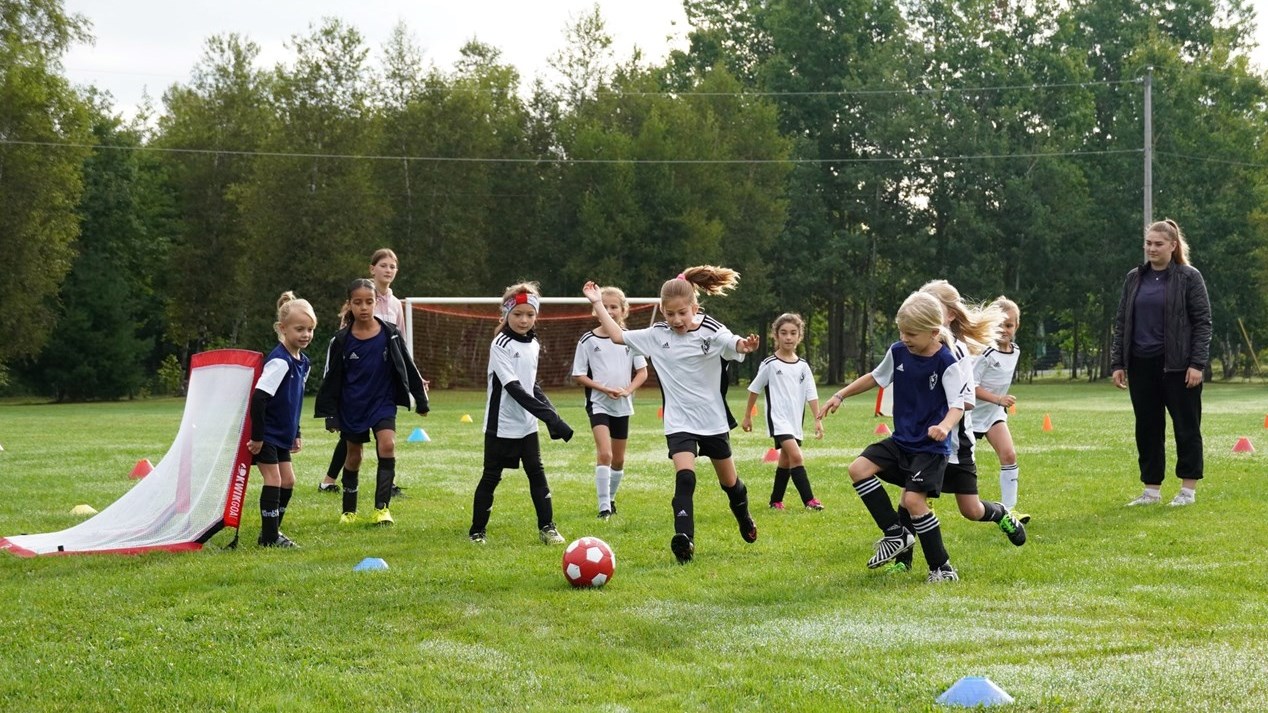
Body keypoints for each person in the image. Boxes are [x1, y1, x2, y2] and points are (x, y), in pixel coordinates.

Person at [583, 267, 761, 565]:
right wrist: (597, 302)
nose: (677, 320)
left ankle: (743, 517)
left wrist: (745, 346)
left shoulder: (711, 329)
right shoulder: (656, 335)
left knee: (730, 483)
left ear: (695, 308)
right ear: (662, 312)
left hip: (713, 419)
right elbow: (616, 336)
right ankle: (685, 540)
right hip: (679, 420)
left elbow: (733, 342)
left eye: (682, 313)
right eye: (669, 314)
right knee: (685, 478)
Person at [818, 291, 966, 583]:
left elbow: (958, 405)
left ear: (934, 332)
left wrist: (945, 427)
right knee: (858, 469)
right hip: (901, 442)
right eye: (901, 331)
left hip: (929, 448)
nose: (905, 337)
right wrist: (841, 394)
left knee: (913, 501)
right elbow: (876, 376)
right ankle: (895, 533)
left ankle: (943, 568)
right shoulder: (898, 351)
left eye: (911, 333)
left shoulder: (946, 362)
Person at [881, 280, 1023, 576]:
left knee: (971, 510)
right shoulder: (920, 349)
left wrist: (943, 421)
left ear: (948, 316)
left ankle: (1001, 514)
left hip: (956, 445)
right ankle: (902, 562)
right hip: (925, 445)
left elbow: (967, 401)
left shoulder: (956, 353)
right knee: (910, 498)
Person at [1111, 219, 1212, 507]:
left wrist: (1197, 363)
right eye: (1148, 243)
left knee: (1186, 426)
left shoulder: (1189, 277)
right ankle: (1151, 491)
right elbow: (1122, 323)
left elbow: (1203, 323)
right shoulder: (1134, 278)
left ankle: (1187, 491)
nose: (1151, 248)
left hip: (1179, 367)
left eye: (1158, 244)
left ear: (1173, 246)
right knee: (1147, 428)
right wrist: (1118, 362)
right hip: (1141, 365)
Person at [314, 278, 429, 527]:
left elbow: (408, 367)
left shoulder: (391, 334)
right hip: (352, 405)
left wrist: (420, 400)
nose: (364, 307)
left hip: (383, 403)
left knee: (387, 445)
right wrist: (331, 414)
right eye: (358, 302)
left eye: (369, 301)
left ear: (376, 302)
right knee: (354, 456)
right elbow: (330, 378)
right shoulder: (341, 341)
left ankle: (382, 509)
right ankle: (349, 510)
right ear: (349, 305)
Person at [469, 282, 574, 545]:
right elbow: (514, 389)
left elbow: (531, 386)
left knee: (537, 474)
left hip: (526, 425)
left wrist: (552, 415)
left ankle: (547, 528)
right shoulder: (500, 344)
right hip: (500, 425)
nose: (524, 320)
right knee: (491, 476)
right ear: (505, 314)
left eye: (530, 314)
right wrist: (552, 418)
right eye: (517, 314)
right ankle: (477, 532)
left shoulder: (534, 343)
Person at [319, 248, 414, 496]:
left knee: (384, 436)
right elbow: (343, 343)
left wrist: (411, 376)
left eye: (393, 266)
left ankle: (384, 487)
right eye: (383, 265)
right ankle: (330, 480)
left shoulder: (395, 304)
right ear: (372, 269)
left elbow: (399, 344)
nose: (388, 270)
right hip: (357, 384)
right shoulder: (360, 295)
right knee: (352, 440)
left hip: (382, 386)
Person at [571, 285, 649, 520]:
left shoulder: (630, 340)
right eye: (604, 307)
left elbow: (642, 373)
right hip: (599, 403)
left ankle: (611, 499)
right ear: (596, 311)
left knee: (619, 459)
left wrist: (628, 390)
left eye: (614, 307)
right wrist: (603, 388)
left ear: (624, 310)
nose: (609, 310)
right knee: (604, 454)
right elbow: (578, 376)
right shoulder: (587, 340)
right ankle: (603, 507)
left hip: (622, 406)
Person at [248, 292, 316, 548]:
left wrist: (296, 432)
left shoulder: (304, 362)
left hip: (283, 435)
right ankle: (269, 537)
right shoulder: (279, 362)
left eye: (310, 329)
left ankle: (273, 530)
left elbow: (294, 402)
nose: (306, 335)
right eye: (299, 329)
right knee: (274, 480)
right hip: (266, 435)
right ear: (282, 329)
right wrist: (257, 437)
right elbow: (259, 399)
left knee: (288, 481)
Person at [741, 313, 825, 511]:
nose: (788, 337)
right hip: (778, 420)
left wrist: (817, 419)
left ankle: (775, 501)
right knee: (796, 457)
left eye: (793, 333)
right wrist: (747, 416)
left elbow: (811, 394)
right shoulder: (770, 364)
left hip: (795, 421)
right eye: (784, 333)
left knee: (786, 460)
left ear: (799, 337)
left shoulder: (803, 366)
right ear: (776, 336)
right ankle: (809, 501)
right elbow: (754, 389)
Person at [973, 296, 1026, 521]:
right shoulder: (986, 352)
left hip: (993, 414)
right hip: (969, 416)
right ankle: (922, 500)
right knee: (950, 464)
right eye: (999, 324)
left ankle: (1009, 510)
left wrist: (997, 403)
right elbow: (971, 387)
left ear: (1016, 326)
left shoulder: (1015, 351)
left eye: (1009, 325)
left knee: (1009, 454)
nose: (1004, 330)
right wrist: (997, 399)